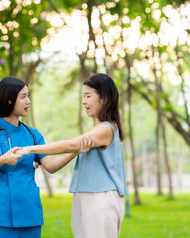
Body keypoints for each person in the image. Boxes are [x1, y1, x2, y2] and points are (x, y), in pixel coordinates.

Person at [0, 76, 91, 238]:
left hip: (30, 214)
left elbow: (51, 165)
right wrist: (2, 160)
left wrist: (75, 151)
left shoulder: (33, 134)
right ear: (9, 100)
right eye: (23, 97)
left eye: (28, 96)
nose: (28, 101)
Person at [16, 73, 127, 238]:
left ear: (103, 98)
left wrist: (31, 149)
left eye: (88, 96)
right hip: (86, 195)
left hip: (100, 197)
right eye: (83, 96)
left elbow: (68, 145)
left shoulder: (107, 128)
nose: (84, 101)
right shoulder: (98, 130)